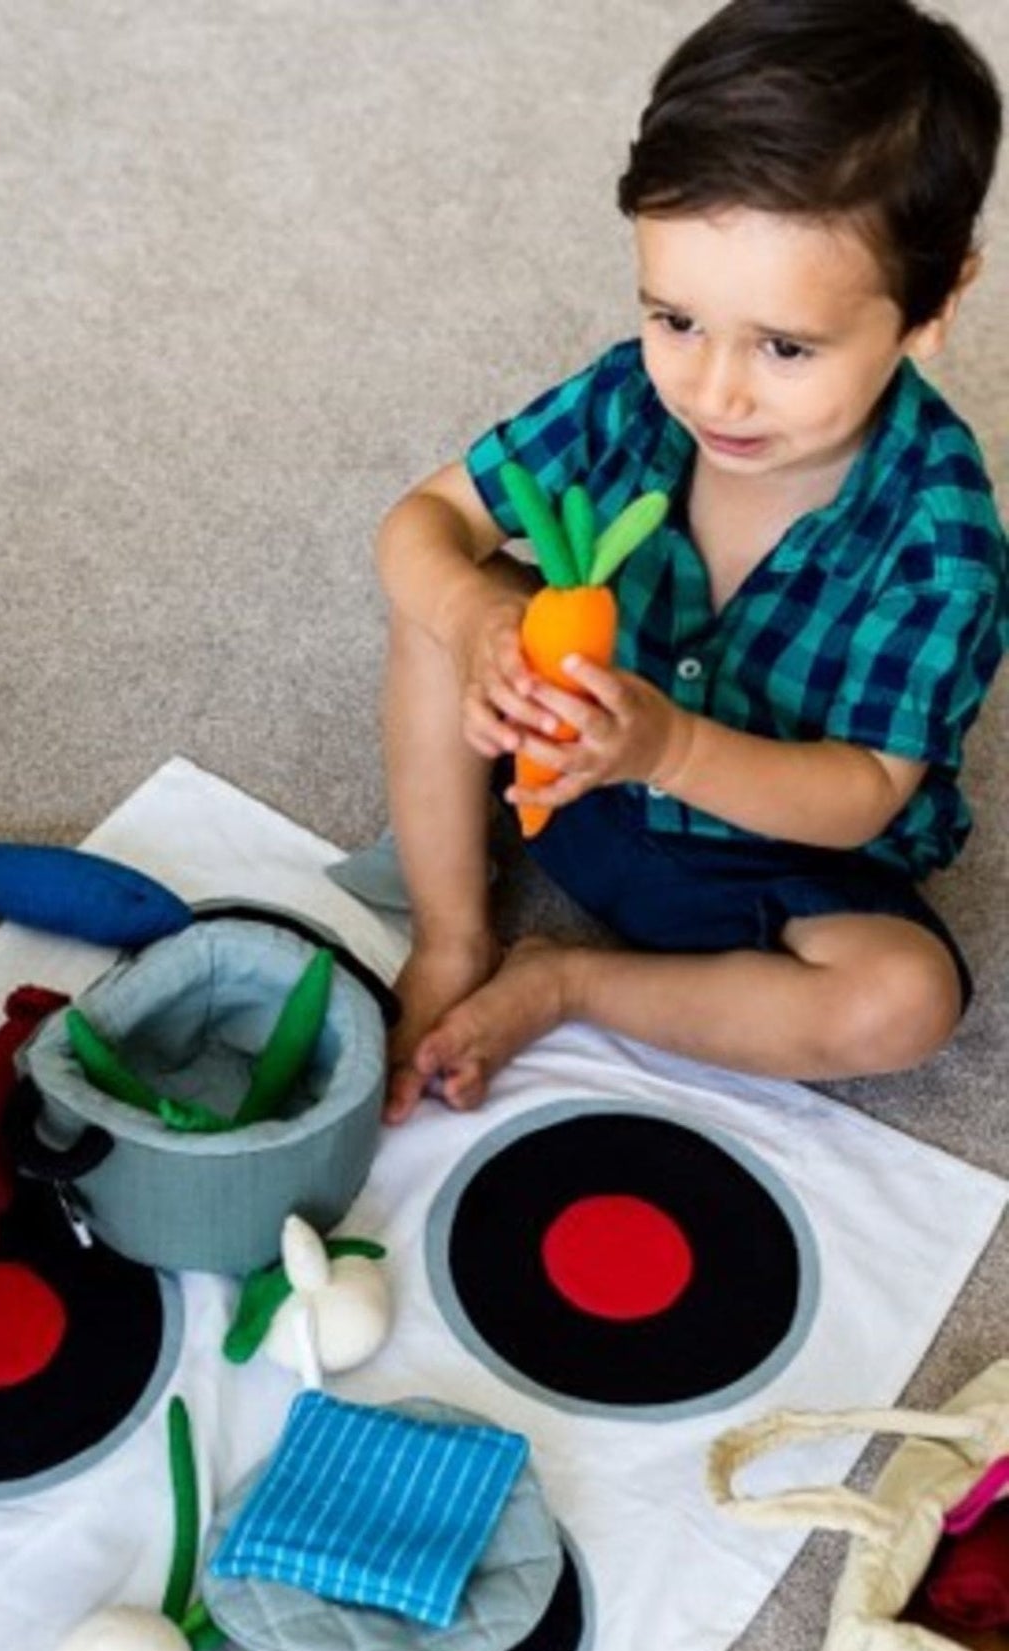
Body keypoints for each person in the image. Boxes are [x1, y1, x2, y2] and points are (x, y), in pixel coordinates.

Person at [376, 0, 1006, 1125]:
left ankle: (564, 978)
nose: (711, 391)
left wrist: (665, 746)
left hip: (763, 867)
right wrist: (477, 619)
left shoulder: (939, 537)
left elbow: (862, 792)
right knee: (430, 607)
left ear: (931, 307)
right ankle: (453, 931)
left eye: (782, 346)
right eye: (675, 318)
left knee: (902, 1002)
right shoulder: (631, 397)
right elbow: (421, 523)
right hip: (558, 761)